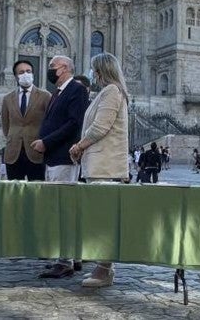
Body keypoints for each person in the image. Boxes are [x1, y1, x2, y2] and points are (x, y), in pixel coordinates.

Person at [68, 52, 131, 289]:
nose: (93, 74)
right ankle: (104, 268)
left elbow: (100, 127)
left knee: (103, 219)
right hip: (100, 163)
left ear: (102, 70)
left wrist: (79, 145)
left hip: (105, 165)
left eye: (95, 69)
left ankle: (104, 269)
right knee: (100, 218)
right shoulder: (108, 92)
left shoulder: (112, 91)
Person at [33, 55, 89, 279]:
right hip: (53, 157)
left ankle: (65, 260)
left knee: (63, 210)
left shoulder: (76, 90)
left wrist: (46, 141)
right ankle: (71, 257)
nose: (49, 70)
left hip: (64, 157)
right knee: (61, 209)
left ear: (64, 68)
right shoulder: (59, 92)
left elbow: (73, 124)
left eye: (52, 66)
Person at [0, 60, 50, 181]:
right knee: (14, 189)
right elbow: (6, 124)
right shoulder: (8, 98)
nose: (25, 74)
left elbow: (49, 122)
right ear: (16, 76)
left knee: (37, 188)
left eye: (28, 71)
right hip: (13, 152)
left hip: (36, 151)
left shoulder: (45, 96)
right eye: (21, 72)